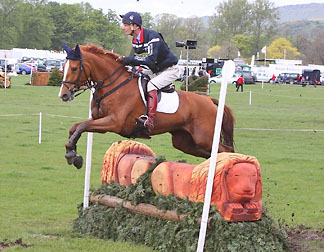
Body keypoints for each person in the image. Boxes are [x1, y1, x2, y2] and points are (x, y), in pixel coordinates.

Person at [117, 11, 181, 132]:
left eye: (126, 25)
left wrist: (130, 60)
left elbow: (150, 60)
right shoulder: (135, 41)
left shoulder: (152, 36)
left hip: (169, 69)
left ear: (134, 26)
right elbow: (139, 61)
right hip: (155, 70)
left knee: (151, 85)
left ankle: (150, 120)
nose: (123, 27)